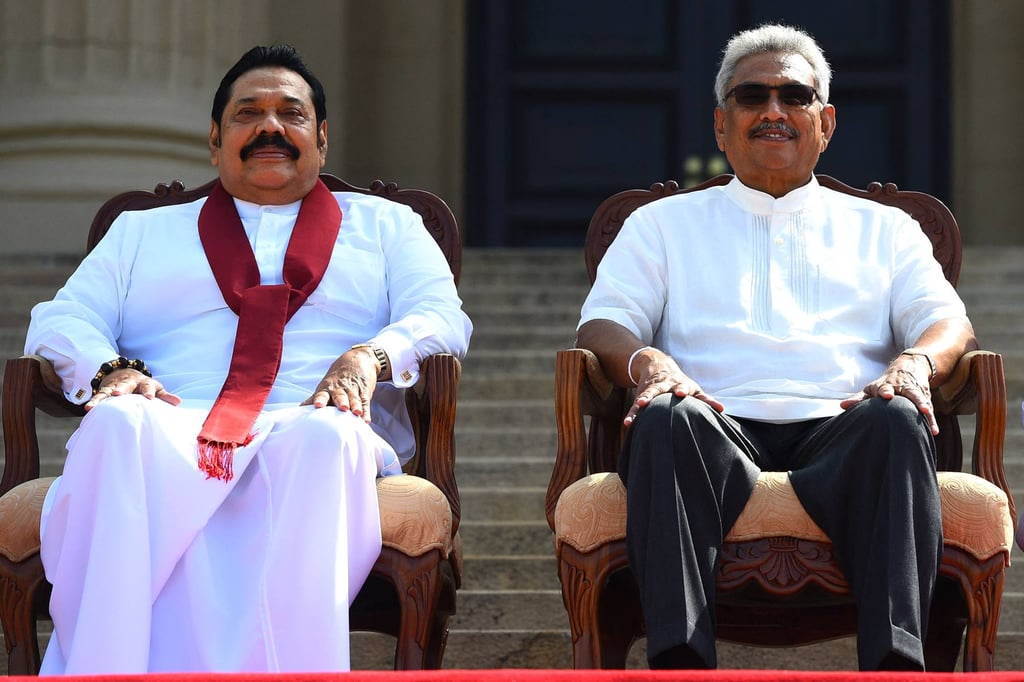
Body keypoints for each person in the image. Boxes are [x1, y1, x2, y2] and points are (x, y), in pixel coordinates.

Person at [25, 44, 472, 674]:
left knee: (326, 438)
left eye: (291, 114)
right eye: (248, 113)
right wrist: (110, 372)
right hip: (172, 421)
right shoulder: (141, 233)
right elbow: (60, 319)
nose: (270, 127)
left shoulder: (388, 226)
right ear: (214, 138)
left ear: (321, 138)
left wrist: (369, 356)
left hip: (315, 413)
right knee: (116, 423)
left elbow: (442, 316)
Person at [576, 24, 975, 672]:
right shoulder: (661, 226)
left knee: (899, 421)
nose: (773, 112)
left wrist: (913, 364)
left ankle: (897, 662)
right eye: (752, 96)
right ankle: (680, 660)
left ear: (827, 121)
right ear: (719, 123)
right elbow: (603, 323)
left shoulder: (888, 230)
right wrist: (648, 362)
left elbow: (947, 322)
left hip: (845, 423)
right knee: (664, 418)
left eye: (795, 96)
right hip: (712, 422)